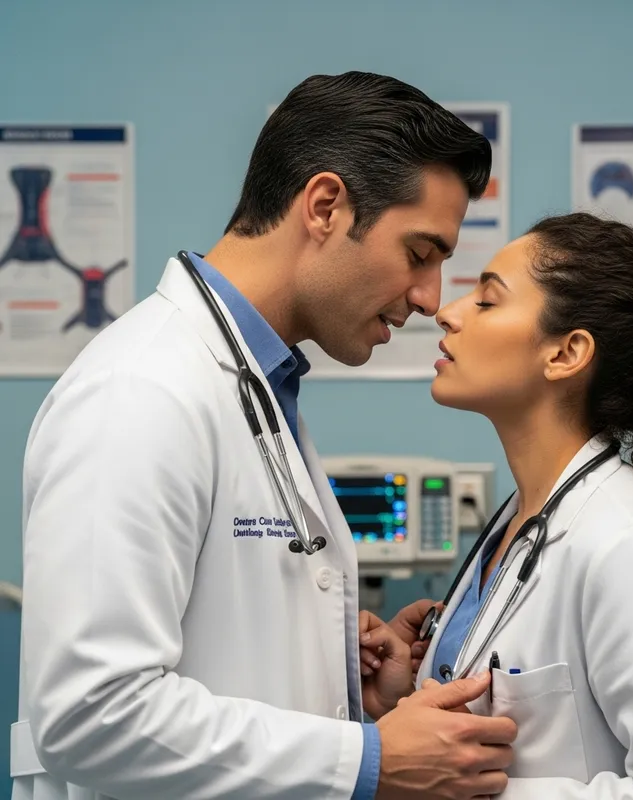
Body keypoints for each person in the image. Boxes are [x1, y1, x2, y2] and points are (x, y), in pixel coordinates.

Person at [10, 71, 518, 800]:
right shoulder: (140, 391)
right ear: (324, 206)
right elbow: (92, 713)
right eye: (420, 253)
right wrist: (367, 760)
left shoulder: (256, 386)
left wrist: (331, 670)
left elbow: (210, 653)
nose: (430, 298)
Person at [360, 212, 633, 798]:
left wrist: (477, 790)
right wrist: (400, 701)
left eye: (487, 301)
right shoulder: (520, 522)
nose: (447, 312)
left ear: (566, 354)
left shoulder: (629, 544)